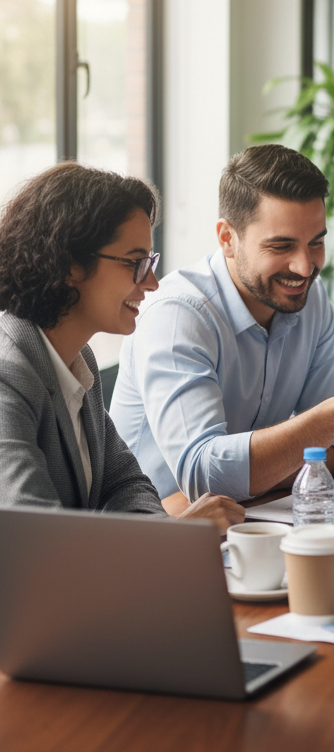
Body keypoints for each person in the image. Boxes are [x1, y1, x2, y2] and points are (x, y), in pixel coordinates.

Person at [110, 144, 334, 507]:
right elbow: (203, 475)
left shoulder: (309, 298)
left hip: (248, 519)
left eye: (316, 242)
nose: (304, 267)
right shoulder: (178, 315)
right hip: (158, 529)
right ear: (227, 239)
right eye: (281, 246)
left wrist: (250, 476)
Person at [0, 163, 242, 531]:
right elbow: (37, 539)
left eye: (150, 262)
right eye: (136, 262)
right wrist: (170, 539)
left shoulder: (78, 361)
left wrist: (162, 539)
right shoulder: (8, 375)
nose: (152, 283)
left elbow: (124, 483)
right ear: (70, 264)